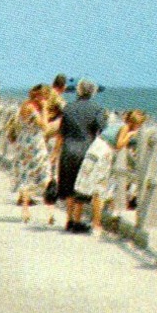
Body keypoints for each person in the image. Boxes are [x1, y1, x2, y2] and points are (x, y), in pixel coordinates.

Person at [57, 80, 107, 232]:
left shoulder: (68, 108)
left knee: (69, 184)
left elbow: (62, 132)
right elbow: (102, 129)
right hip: (86, 149)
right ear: (92, 92)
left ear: (78, 91)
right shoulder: (97, 109)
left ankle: (69, 219)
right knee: (82, 185)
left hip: (68, 148)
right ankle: (77, 221)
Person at [12, 86, 55, 225]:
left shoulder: (24, 106)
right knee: (45, 175)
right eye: (46, 97)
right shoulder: (33, 109)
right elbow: (46, 128)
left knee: (26, 176)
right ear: (40, 96)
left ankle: (25, 211)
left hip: (23, 144)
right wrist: (44, 109)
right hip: (35, 145)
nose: (47, 100)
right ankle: (49, 212)